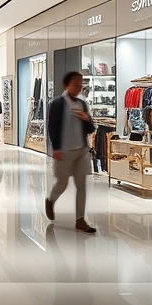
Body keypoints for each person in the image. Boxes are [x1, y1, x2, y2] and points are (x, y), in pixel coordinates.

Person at [45, 71, 97, 234]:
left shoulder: (82, 104)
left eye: (81, 84)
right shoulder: (57, 104)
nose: (79, 87)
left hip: (81, 150)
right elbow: (52, 127)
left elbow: (91, 128)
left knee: (81, 185)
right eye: (76, 84)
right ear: (67, 85)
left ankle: (80, 220)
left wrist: (86, 118)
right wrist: (56, 148)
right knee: (62, 183)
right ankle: (50, 201)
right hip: (64, 151)